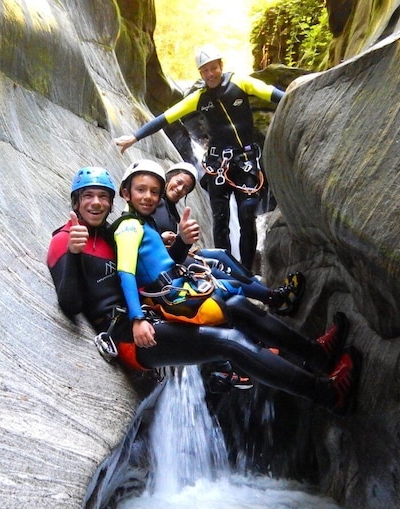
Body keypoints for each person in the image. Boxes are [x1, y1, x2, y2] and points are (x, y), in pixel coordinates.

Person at [47, 165, 360, 415]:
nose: (97, 203)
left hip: (148, 316)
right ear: (76, 201)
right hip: (128, 334)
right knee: (229, 342)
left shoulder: (109, 233)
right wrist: (75, 255)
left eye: (103, 196)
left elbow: (148, 269)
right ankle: (328, 395)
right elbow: (70, 302)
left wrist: (181, 242)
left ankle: (316, 355)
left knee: (237, 305)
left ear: (113, 200)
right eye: (88, 196)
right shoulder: (66, 238)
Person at [114, 45, 285, 270]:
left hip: (245, 159)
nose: (210, 74)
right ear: (200, 73)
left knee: (246, 214)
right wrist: (134, 138)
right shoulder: (198, 97)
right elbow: (165, 118)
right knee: (221, 220)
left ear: (221, 66)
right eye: (205, 70)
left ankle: (245, 270)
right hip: (218, 166)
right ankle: (227, 269)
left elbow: (273, 94)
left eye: (213, 68)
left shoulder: (240, 83)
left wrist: (302, 97)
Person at [154, 161, 306, 316]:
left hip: (174, 254)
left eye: (186, 188)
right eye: (179, 183)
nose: (180, 189)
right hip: (164, 262)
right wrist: (162, 238)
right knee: (214, 269)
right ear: (168, 178)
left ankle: (260, 287)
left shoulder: (171, 210)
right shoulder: (153, 201)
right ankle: (274, 298)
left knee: (221, 254)